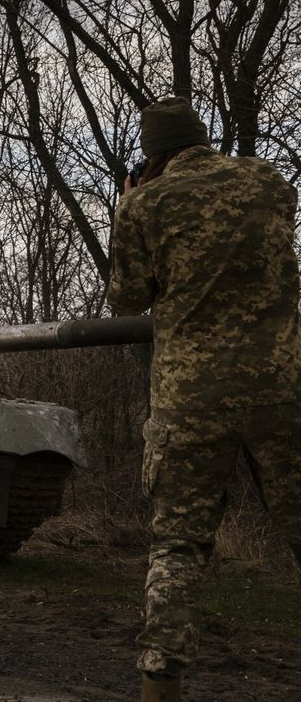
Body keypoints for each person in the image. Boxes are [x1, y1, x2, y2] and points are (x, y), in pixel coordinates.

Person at [108, 96, 301, 702]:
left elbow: (127, 299)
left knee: (178, 544)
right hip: (280, 387)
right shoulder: (269, 181)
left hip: (190, 396)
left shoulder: (147, 202)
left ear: (153, 153)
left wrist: (127, 206)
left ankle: (160, 682)